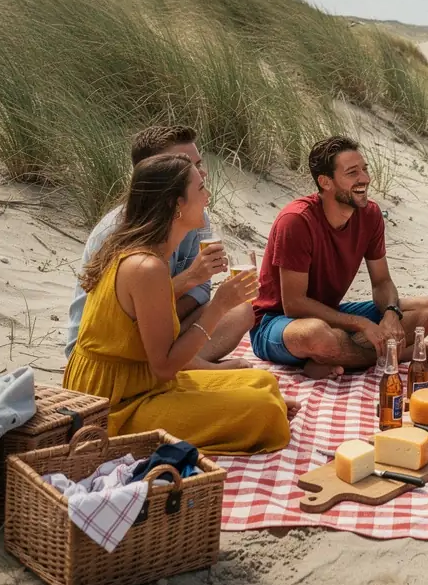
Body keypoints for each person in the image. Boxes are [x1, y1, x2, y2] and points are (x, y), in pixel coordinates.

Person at [63, 154, 291, 455]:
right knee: (264, 410)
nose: (208, 196)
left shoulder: (140, 251)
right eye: (199, 189)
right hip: (113, 404)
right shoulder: (146, 267)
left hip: (140, 383)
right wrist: (218, 305)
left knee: (262, 383)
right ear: (176, 205)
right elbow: (166, 366)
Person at [251, 136, 428, 379]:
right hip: (278, 322)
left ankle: (334, 357)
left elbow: (382, 282)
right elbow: (294, 304)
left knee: (427, 310)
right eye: (352, 173)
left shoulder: (370, 214)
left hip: (329, 312)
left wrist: (391, 314)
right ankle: (396, 354)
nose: (365, 178)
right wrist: (361, 325)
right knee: (318, 335)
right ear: (325, 182)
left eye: (364, 169)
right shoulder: (296, 220)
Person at [64, 125, 249, 368]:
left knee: (241, 312)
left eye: (198, 164)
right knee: (255, 394)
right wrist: (190, 280)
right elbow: (114, 315)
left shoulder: (196, 218)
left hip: (160, 326)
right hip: (112, 346)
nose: (200, 174)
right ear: (155, 173)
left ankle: (188, 363)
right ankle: (194, 368)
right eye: (186, 165)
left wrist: (167, 313)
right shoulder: (118, 231)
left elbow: (201, 290)